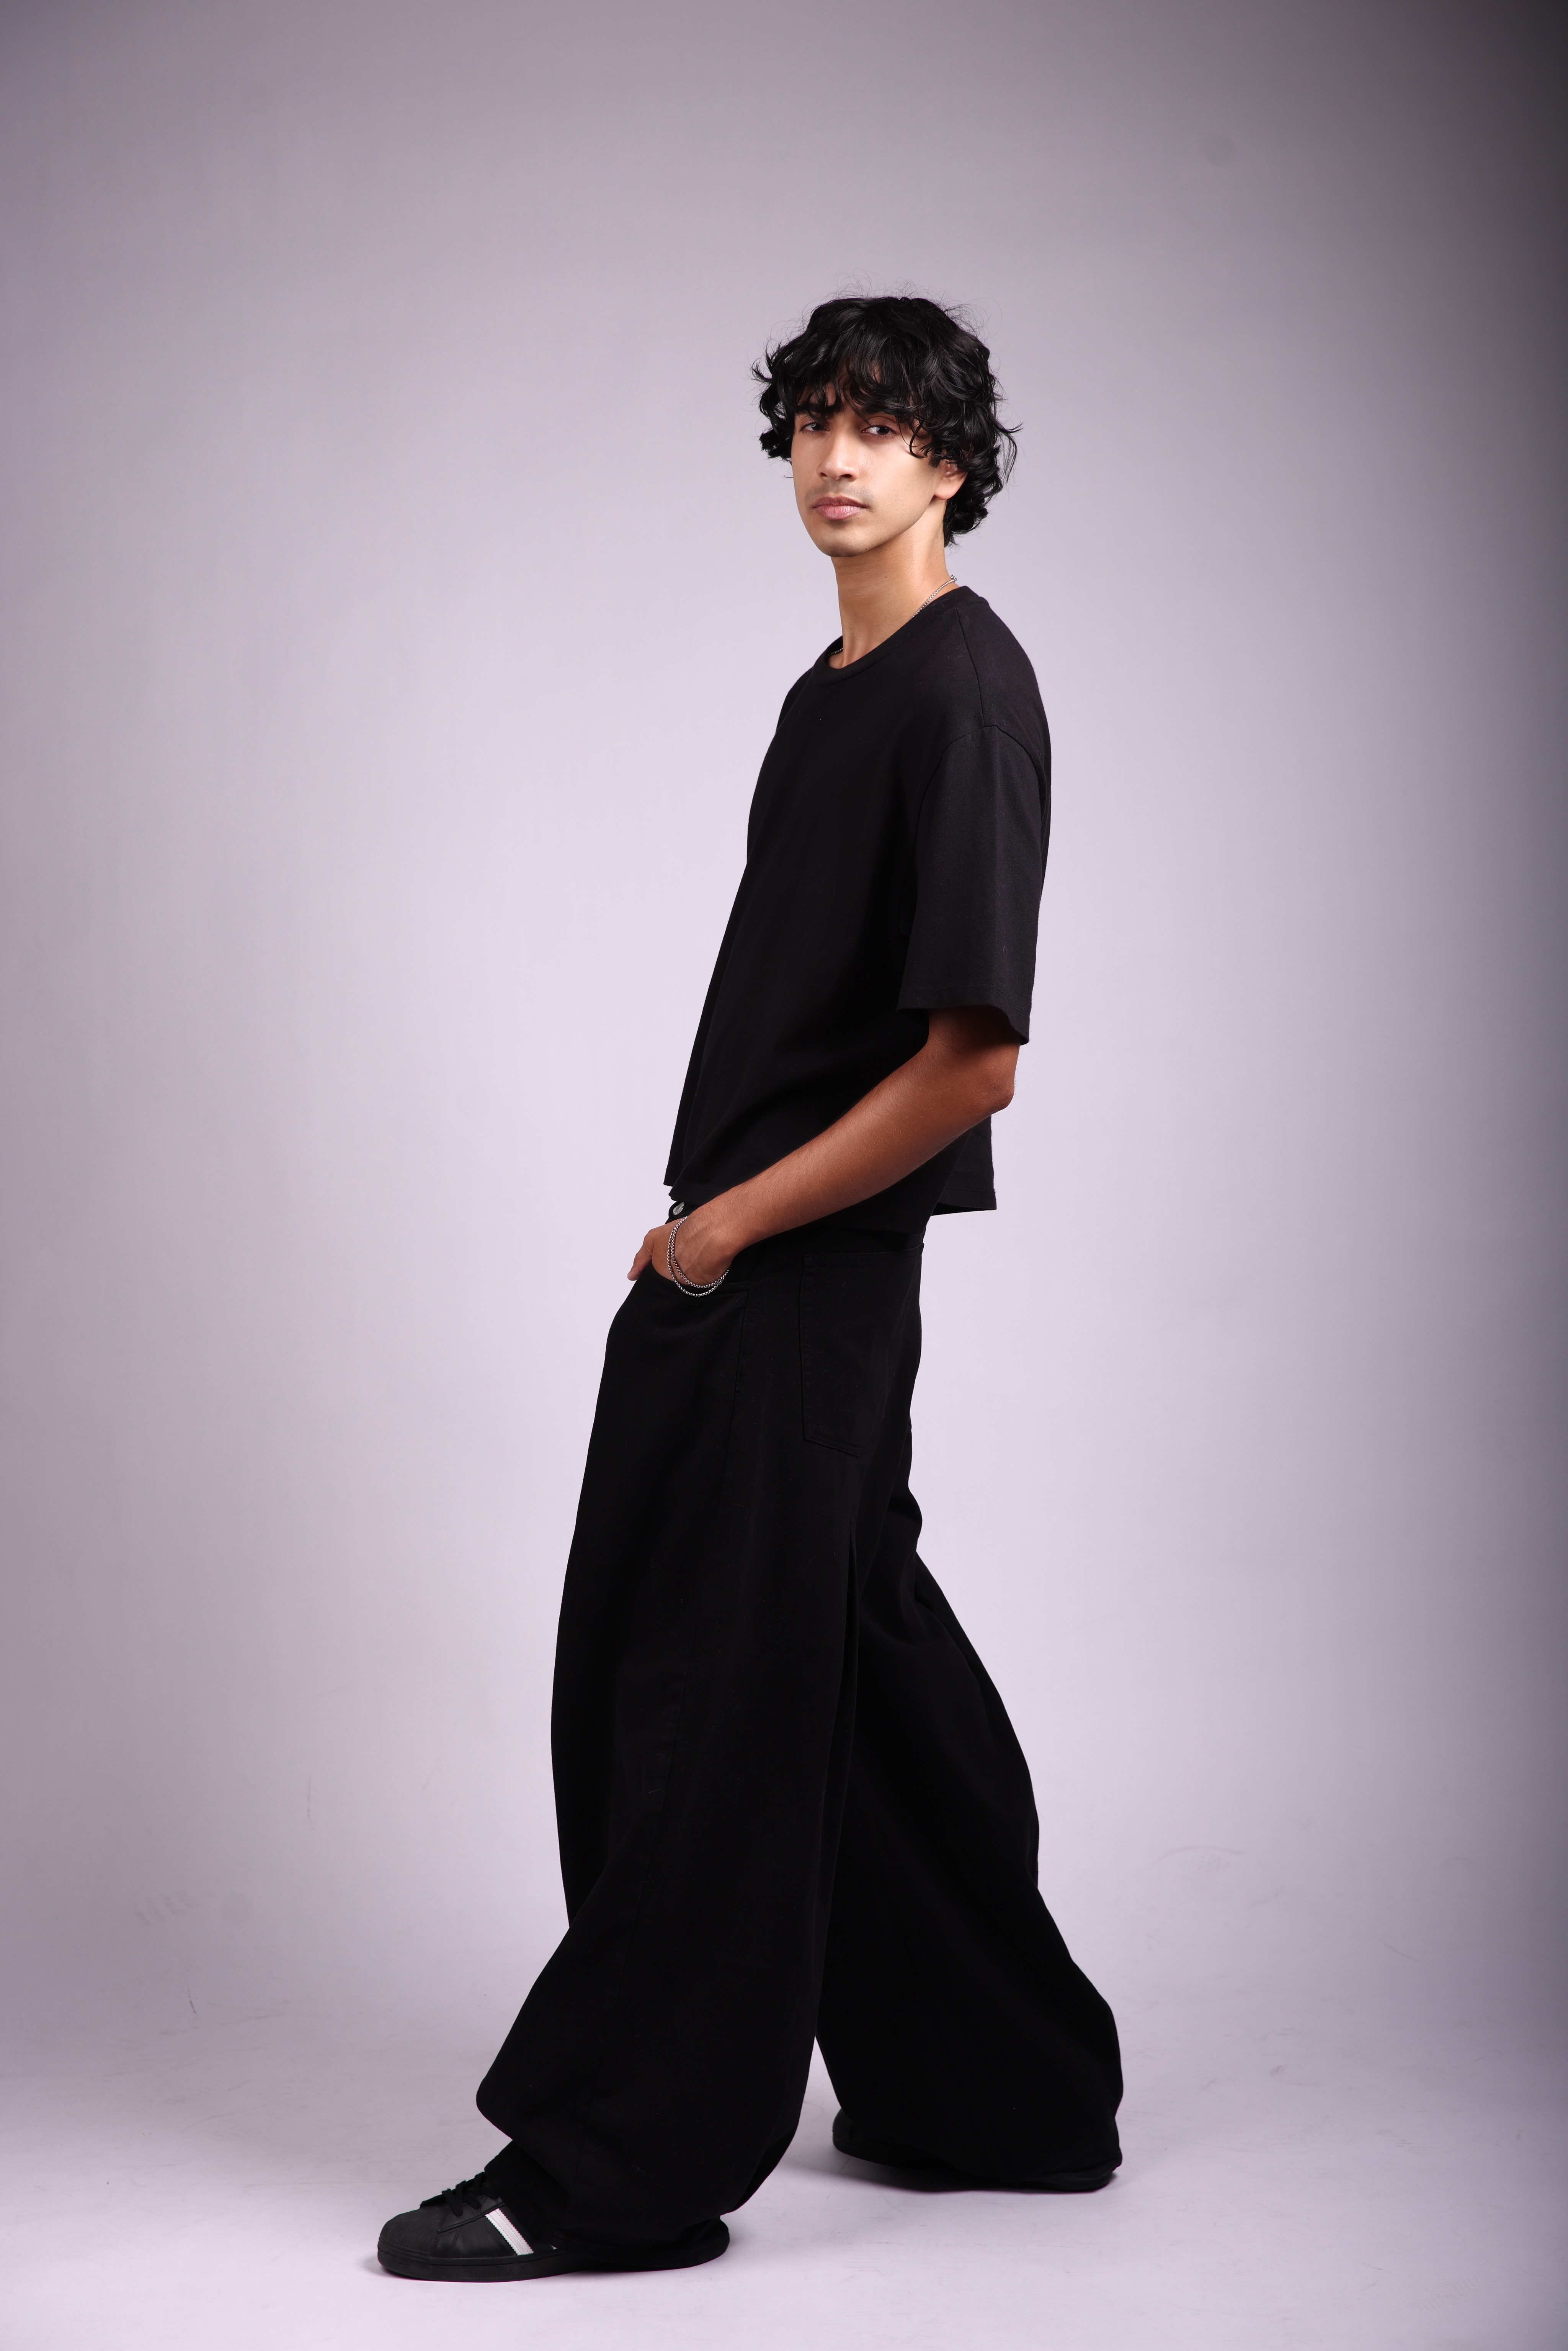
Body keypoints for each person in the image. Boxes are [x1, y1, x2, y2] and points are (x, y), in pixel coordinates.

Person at [377, 293, 1122, 2284]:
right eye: (814, 420)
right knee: (849, 1660)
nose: (839, 457)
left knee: (698, 1697)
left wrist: (728, 1231)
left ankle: (612, 2167)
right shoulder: (834, 692)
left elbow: (974, 1062)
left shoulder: (966, 696)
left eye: (885, 425)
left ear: (954, 462)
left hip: (797, 1269)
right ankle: (1004, 2086)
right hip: (765, 1254)